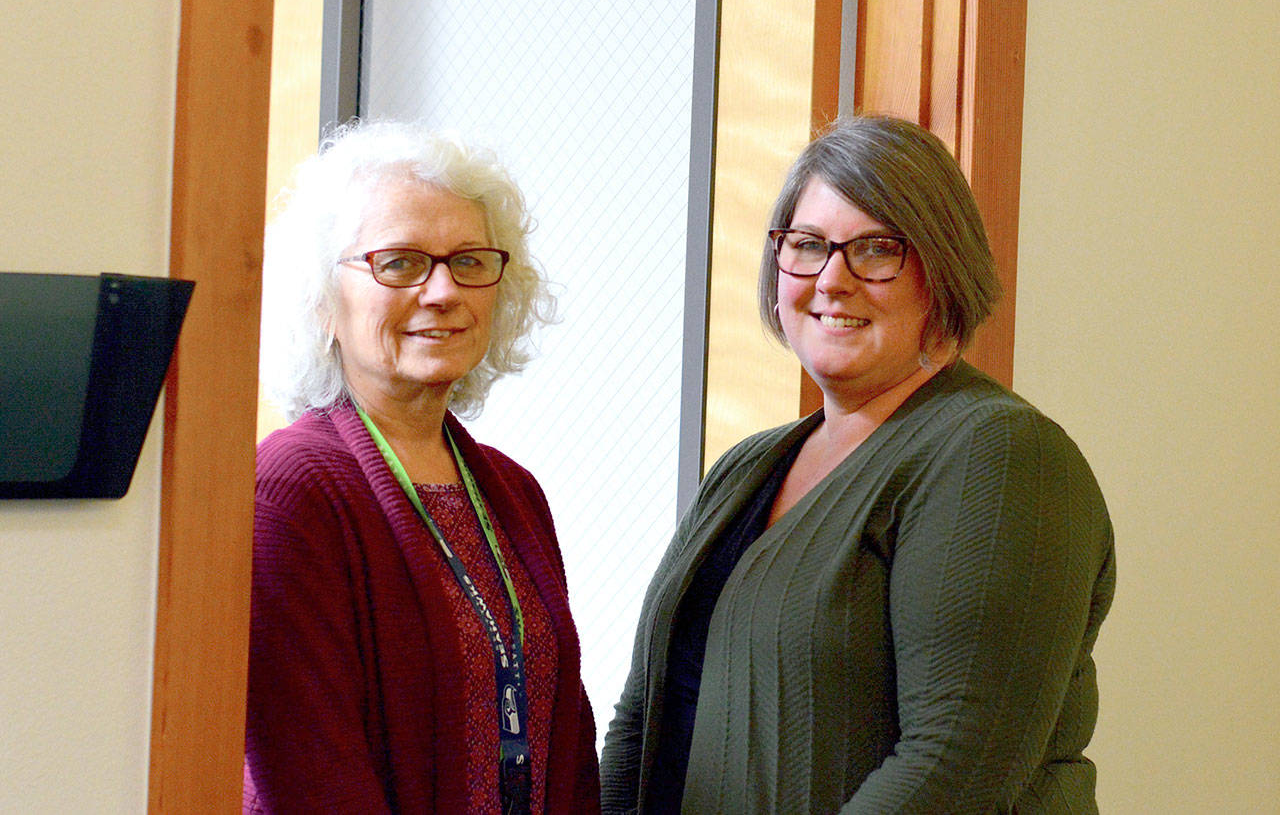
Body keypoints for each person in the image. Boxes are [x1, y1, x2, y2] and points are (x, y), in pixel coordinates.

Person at [599, 115, 1116, 813]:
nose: (833, 280)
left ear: (943, 269)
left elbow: (952, 766)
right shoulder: (745, 468)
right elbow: (645, 716)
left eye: (875, 250)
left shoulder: (999, 455)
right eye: (808, 245)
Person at [244, 121, 600, 814]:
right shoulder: (288, 490)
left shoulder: (512, 492)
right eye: (401, 262)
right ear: (323, 299)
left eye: (468, 261)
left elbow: (568, 743)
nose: (443, 291)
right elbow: (309, 779)